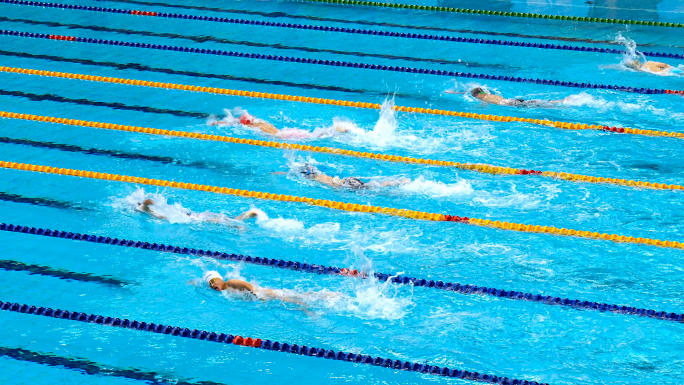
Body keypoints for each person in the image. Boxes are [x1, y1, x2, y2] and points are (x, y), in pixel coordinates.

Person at [204, 271, 308, 306]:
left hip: (265, 294)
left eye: (213, 281)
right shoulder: (226, 291)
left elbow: (247, 285)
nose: (212, 285)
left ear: (220, 279)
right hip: (262, 295)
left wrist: (257, 296)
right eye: (210, 284)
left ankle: (305, 308)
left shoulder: (230, 282)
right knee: (300, 296)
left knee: (293, 300)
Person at [211, 112, 349, 137]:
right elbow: (237, 121)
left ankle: (335, 130)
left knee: (314, 137)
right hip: (286, 131)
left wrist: (219, 122)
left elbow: (236, 123)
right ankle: (334, 129)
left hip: (283, 136)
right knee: (313, 135)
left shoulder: (254, 126)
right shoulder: (260, 122)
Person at [136, 198, 261, 223]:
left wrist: (146, 207)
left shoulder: (150, 213)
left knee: (220, 221)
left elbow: (152, 212)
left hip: (190, 218)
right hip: (193, 215)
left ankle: (240, 221)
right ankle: (244, 216)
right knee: (223, 219)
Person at [298, 163, 409, 190]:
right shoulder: (319, 175)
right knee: (373, 186)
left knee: (372, 187)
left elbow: (334, 185)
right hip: (347, 180)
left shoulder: (315, 178)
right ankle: (399, 181)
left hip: (345, 184)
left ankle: (399, 182)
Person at [448, 87, 567, 107]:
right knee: (532, 102)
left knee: (535, 105)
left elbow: (483, 105)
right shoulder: (488, 94)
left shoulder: (482, 98)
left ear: (476, 95)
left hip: (506, 103)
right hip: (510, 100)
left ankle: (559, 102)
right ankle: (560, 101)